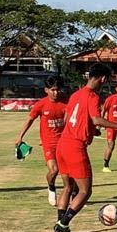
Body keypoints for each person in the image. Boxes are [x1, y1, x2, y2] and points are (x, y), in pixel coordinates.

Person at [53, 64, 117, 232]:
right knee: (85, 191)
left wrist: (90, 129)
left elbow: (69, 118)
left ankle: (60, 225)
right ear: (103, 79)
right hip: (75, 147)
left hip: (62, 144)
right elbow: (96, 118)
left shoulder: (75, 94)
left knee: (68, 187)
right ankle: (63, 224)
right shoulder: (92, 96)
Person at [15, 75, 68, 206]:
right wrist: (20, 136)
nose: (56, 93)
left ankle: (72, 194)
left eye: (58, 90)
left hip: (64, 142)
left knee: (68, 172)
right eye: (53, 90)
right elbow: (29, 120)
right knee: (54, 171)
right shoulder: (41, 104)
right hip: (48, 143)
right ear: (46, 90)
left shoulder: (67, 102)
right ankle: (51, 187)